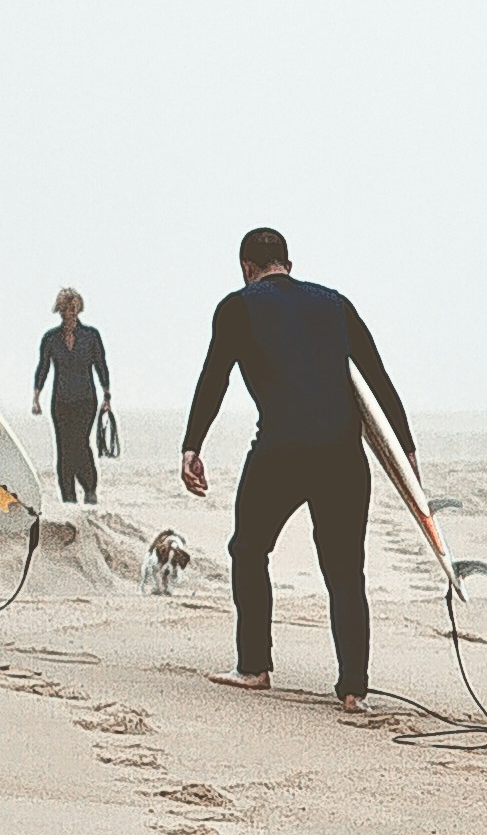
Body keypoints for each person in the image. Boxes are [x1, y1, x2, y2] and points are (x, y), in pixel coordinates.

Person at [178, 227, 416, 709]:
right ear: (288, 262)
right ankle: (353, 688)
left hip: (281, 452)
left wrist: (192, 445)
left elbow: (214, 378)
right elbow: (375, 376)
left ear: (247, 267)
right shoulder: (335, 304)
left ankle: (253, 666)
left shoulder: (236, 307)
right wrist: (406, 451)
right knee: (346, 569)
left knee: (249, 548)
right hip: (343, 455)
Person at [28, 289, 111, 504]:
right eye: (64, 310)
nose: (68, 314)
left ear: (78, 310)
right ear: (59, 311)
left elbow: (101, 365)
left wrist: (106, 395)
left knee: (80, 443)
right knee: (64, 448)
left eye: (72, 309)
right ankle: (68, 495)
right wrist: (36, 397)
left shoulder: (91, 336)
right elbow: (43, 368)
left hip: (86, 400)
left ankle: (90, 488)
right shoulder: (51, 339)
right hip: (61, 401)